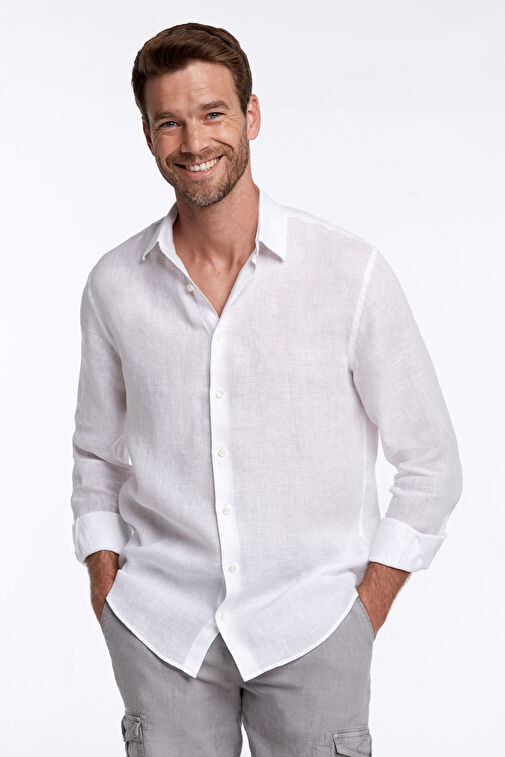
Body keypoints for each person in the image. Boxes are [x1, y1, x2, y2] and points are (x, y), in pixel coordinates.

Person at [70, 21, 463, 757]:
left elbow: (430, 461)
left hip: (313, 625)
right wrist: (106, 583)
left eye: (213, 113)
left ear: (251, 115)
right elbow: (95, 454)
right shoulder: (114, 284)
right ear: (148, 136)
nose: (194, 142)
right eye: (169, 122)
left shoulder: (348, 272)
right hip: (161, 628)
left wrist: (363, 609)